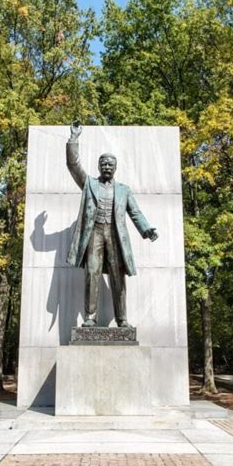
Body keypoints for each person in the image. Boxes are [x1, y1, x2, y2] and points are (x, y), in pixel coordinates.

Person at [66, 122, 158, 327]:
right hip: (94, 233)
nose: (107, 167)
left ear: (115, 168)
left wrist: (146, 228)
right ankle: (90, 317)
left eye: (110, 164)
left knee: (118, 277)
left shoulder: (124, 190)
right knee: (92, 274)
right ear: (99, 166)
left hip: (115, 236)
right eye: (104, 164)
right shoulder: (89, 183)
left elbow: (135, 212)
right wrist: (74, 139)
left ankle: (122, 319)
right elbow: (73, 165)